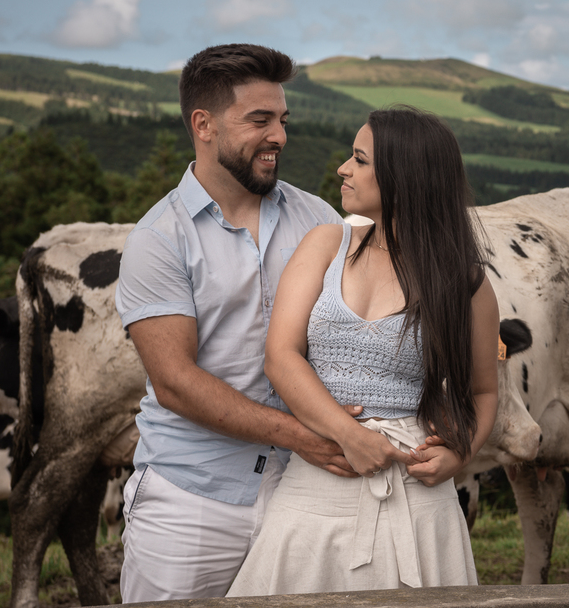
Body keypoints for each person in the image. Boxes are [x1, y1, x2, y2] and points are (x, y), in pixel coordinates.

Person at [226, 107, 499, 595]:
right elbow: (281, 356)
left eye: (359, 159)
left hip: (418, 495)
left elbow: (483, 391)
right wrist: (345, 433)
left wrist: (462, 455)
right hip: (318, 480)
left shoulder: (466, 283)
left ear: (404, 177)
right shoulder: (326, 244)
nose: (343, 169)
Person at [115, 44, 352, 602]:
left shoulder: (320, 218)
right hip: (190, 503)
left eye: (283, 120)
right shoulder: (158, 239)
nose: (280, 136)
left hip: (304, 492)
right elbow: (174, 383)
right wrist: (308, 436)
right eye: (260, 120)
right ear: (204, 125)